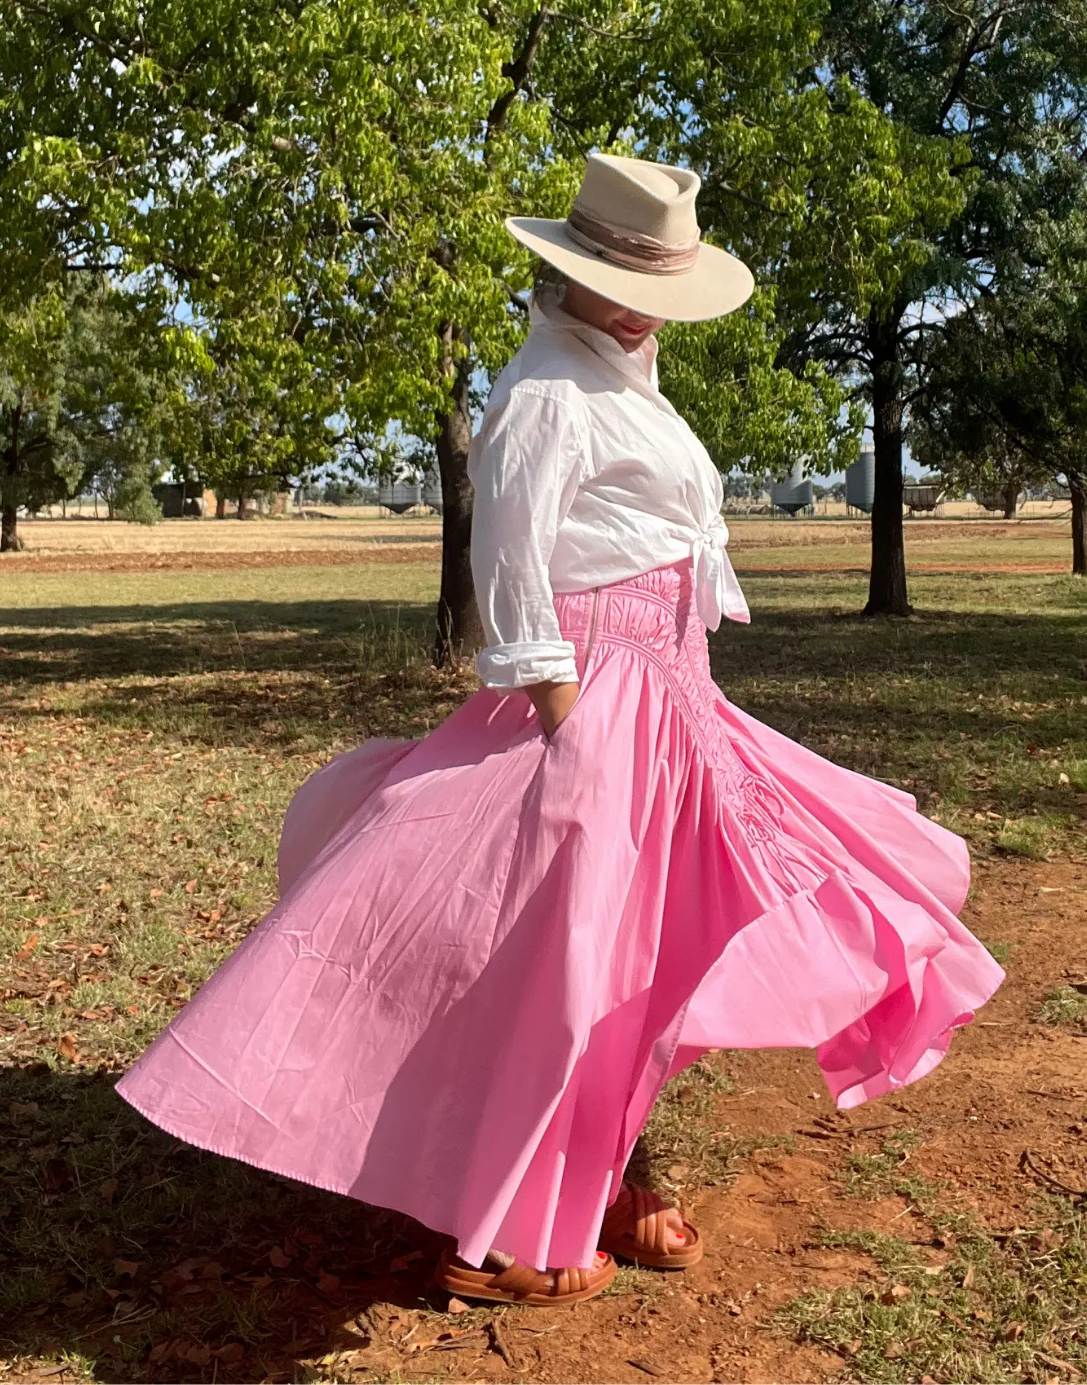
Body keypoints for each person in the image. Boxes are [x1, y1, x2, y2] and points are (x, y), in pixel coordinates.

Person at [117, 155, 1004, 1308]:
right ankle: (508, 1229)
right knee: (568, 961)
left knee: (660, 948)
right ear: (571, 272)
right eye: (625, 281)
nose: (642, 305)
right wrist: (561, 717)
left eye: (657, 285)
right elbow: (511, 565)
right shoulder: (542, 392)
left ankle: (601, 1171)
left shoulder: (625, 375)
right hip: (593, 698)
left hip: (671, 696)